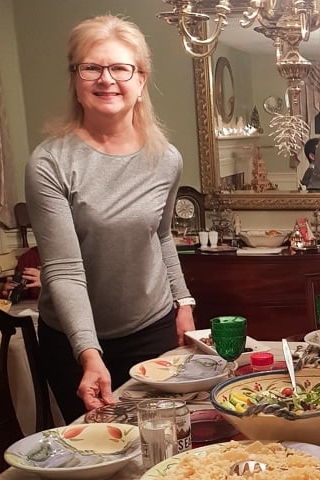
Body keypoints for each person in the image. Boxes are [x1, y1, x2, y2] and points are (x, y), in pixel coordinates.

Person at [25, 15, 196, 423]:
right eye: (92, 67)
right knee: (98, 453)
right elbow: (63, 270)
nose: (107, 80)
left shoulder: (166, 159)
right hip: (74, 342)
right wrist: (89, 353)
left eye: (121, 68)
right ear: (75, 79)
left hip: (151, 329)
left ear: (140, 80)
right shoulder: (49, 162)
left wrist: (183, 301)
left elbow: (161, 235)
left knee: (164, 444)